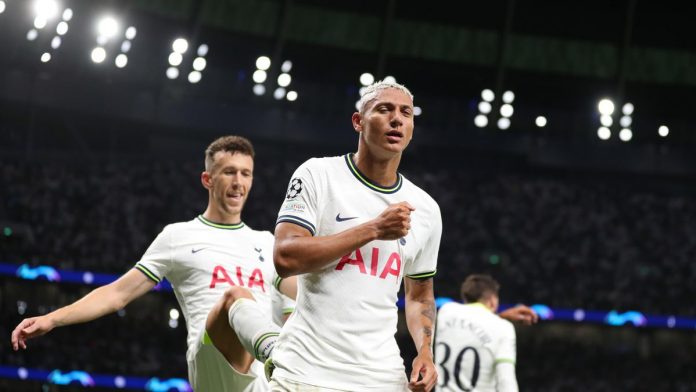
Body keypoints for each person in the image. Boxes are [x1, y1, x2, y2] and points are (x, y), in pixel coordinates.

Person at [11, 135, 295, 392]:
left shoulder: (267, 242)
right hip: (212, 362)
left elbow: (301, 298)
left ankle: (282, 358)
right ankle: (274, 351)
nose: (238, 182)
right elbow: (117, 294)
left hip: (263, 380)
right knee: (236, 296)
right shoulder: (178, 236)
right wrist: (51, 319)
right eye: (229, 172)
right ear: (207, 179)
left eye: (246, 174)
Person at [271, 80, 441, 391]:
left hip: (382, 377)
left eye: (406, 113)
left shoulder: (427, 210)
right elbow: (285, 256)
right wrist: (374, 228)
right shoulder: (318, 175)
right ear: (358, 121)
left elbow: (419, 296)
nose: (396, 119)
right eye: (384, 109)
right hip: (305, 372)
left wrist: (425, 352)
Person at [435, 274, 530, 392]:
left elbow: (471, 326)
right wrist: (501, 319)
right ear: (492, 300)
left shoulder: (446, 311)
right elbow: (506, 381)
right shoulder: (504, 328)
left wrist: (501, 316)